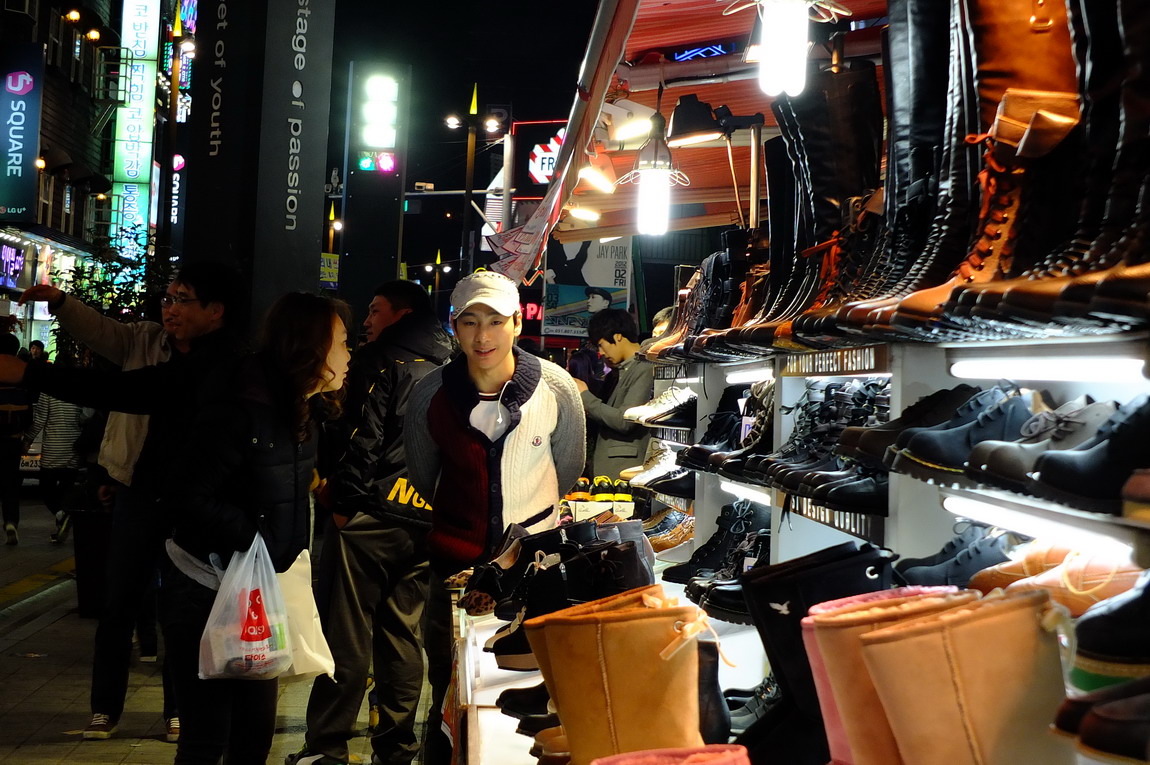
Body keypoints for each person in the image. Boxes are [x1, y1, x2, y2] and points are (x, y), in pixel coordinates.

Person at [12, 262, 245, 743]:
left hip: (190, 503)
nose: (170, 308)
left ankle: (178, 709)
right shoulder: (145, 340)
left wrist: (29, 372)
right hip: (138, 490)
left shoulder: (223, 366)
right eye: (168, 298)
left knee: (180, 609)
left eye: (182, 299)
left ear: (216, 310)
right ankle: (105, 708)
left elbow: (123, 391)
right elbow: (101, 334)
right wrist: (61, 303)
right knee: (118, 601)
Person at [404, 270, 585, 764]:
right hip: (456, 568)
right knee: (451, 685)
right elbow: (423, 475)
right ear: (454, 326)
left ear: (517, 324)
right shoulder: (430, 394)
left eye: (495, 321)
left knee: (538, 684)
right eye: (469, 322)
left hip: (537, 570)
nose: (482, 336)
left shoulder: (555, 388)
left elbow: (568, 466)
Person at [162, 292, 350, 765]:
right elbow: (186, 493)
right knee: (206, 738)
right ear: (312, 347)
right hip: (207, 590)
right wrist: (252, 538)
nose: (350, 355)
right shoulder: (240, 407)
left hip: (258, 596)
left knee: (254, 734)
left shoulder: (302, 411)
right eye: (343, 343)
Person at [291, 281, 452, 765]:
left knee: (346, 634)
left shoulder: (381, 360)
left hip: (370, 517)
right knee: (402, 635)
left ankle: (327, 747)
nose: (365, 321)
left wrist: (342, 502)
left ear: (402, 314)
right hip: (424, 518)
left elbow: (362, 436)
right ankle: (396, 747)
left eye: (375, 310)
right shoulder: (451, 365)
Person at [577, 308, 654, 480]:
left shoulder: (645, 368)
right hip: (609, 470)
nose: (601, 352)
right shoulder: (616, 373)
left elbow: (625, 421)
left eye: (601, 344)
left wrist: (585, 396)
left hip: (624, 470)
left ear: (618, 336)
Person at [22, 390, 86, 543]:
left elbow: (40, 419)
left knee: (46, 488)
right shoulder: (78, 389)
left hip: (53, 449)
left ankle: (61, 516)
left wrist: (28, 439)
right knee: (65, 491)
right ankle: (60, 528)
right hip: (73, 448)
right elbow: (85, 417)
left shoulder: (48, 391)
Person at [0, 329, 31, 545]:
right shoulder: (22, 376)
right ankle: (11, 522)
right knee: (10, 484)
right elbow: (30, 416)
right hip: (13, 440)